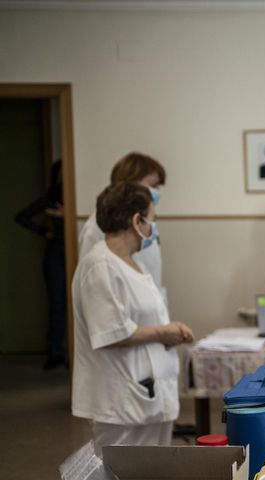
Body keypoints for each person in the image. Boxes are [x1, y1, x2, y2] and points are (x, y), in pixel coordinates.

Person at [71, 182, 193, 456]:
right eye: (151, 220)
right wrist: (164, 333)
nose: (152, 229)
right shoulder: (99, 265)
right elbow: (112, 333)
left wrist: (168, 334)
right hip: (120, 400)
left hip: (146, 396)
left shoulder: (129, 262)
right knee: (122, 479)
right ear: (137, 220)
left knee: (150, 476)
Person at [79, 152, 166, 293]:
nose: (156, 192)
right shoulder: (96, 228)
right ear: (129, 184)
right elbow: (93, 285)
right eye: (153, 185)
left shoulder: (144, 221)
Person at [14, 160, 67, 369]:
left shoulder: (79, 196)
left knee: (76, 304)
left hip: (77, 252)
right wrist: (44, 232)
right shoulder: (51, 199)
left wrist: (66, 215)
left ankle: (73, 353)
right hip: (56, 252)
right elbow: (21, 217)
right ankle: (55, 352)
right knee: (57, 304)